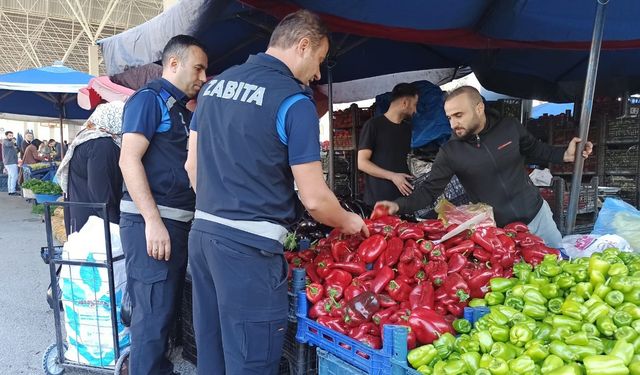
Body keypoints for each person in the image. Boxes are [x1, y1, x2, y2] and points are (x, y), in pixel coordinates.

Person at [185, 10, 368, 375]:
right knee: (251, 363)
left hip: (202, 237)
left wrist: (221, 207)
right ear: (303, 45)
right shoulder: (294, 101)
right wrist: (349, 221)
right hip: (249, 252)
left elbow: (191, 167)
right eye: (318, 61)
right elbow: (314, 199)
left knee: (214, 356)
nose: (317, 74)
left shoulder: (214, 88)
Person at [375, 86, 592, 248]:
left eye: (459, 115)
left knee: (561, 270)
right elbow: (429, 191)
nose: (453, 124)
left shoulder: (509, 128)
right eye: (449, 117)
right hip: (501, 233)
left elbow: (536, 149)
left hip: (538, 216)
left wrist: (565, 154)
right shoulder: (451, 151)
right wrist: (398, 206)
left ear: (479, 108)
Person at [118, 35, 207, 375]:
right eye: (198, 68)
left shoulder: (181, 110)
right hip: (153, 224)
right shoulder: (148, 100)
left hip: (176, 222)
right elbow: (129, 161)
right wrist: (153, 221)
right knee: (152, 318)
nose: (202, 77)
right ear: (174, 64)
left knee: (164, 314)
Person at [55, 102, 125, 233]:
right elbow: (101, 196)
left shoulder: (87, 138)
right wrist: (116, 227)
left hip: (82, 216)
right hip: (95, 224)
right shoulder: (102, 145)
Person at [357, 83, 419, 207]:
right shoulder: (373, 125)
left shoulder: (407, 128)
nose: (415, 110)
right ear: (405, 102)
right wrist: (393, 176)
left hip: (402, 202)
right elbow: (362, 163)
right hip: (378, 202)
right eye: (414, 105)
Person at [2, 131, 20, 195]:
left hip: (10, 162)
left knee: (10, 177)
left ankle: (10, 190)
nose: (11, 137)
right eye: (10, 135)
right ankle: (12, 191)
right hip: (10, 162)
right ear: (6, 136)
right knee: (14, 176)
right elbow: (9, 144)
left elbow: (14, 151)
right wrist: (13, 141)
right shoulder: (6, 141)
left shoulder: (9, 142)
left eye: (12, 135)